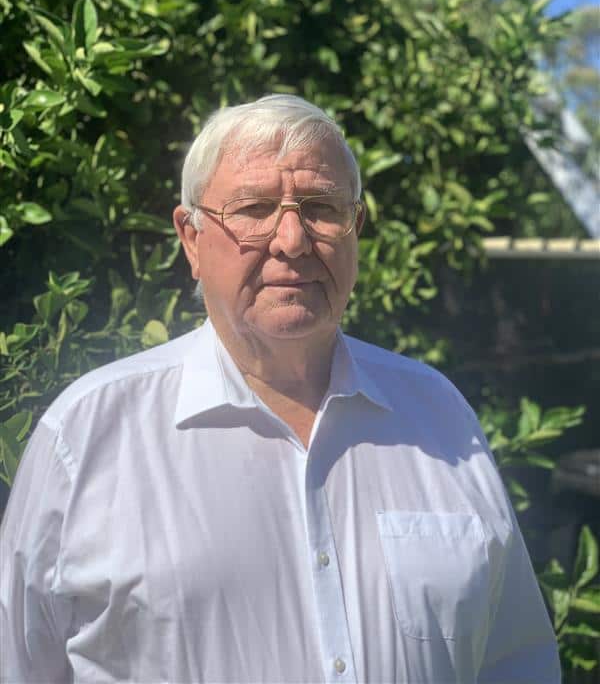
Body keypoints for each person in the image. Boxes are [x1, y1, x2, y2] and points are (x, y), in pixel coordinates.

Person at [1, 95, 559, 683]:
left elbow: (516, 662)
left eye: (320, 207)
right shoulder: (88, 437)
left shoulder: (439, 417)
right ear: (190, 239)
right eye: (254, 208)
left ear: (356, 230)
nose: (291, 239)